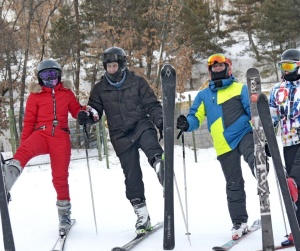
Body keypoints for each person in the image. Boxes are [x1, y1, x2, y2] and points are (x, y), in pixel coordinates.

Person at [77, 46, 164, 235]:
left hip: (141, 125)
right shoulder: (100, 88)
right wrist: (87, 116)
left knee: (153, 149)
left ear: (122, 65)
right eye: (108, 67)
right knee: (131, 176)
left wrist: (161, 121)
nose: (111, 70)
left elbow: (151, 104)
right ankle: (142, 215)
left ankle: (162, 169)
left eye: (114, 65)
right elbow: (95, 111)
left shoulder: (137, 82)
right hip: (120, 135)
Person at [177, 53, 255, 240]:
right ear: (210, 71)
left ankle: (260, 168)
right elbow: (195, 116)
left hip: (243, 133)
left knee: (251, 153)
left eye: (221, 67)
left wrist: (263, 129)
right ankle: (239, 222)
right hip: (223, 144)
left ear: (228, 69)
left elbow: (252, 111)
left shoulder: (240, 88)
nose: (218, 69)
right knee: (233, 184)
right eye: (214, 67)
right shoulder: (204, 95)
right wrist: (187, 124)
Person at [3, 59, 85, 234]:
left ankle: (64, 215)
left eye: (53, 75)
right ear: (40, 79)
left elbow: (76, 110)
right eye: (46, 76)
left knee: (60, 177)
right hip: (41, 133)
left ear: (59, 76)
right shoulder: (35, 96)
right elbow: (28, 123)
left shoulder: (67, 93)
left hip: (60, 137)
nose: (50, 79)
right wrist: (22, 147)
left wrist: (84, 114)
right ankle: (8, 177)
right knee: (24, 151)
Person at [269, 48, 300, 246]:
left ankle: (294, 182)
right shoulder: (276, 90)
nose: (286, 71)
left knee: (295, 180)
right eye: (283, 66)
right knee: (294, 190)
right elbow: (271, 117)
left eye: (289, 66)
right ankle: (296, 229)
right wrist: (266, 140)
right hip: (288, 142)